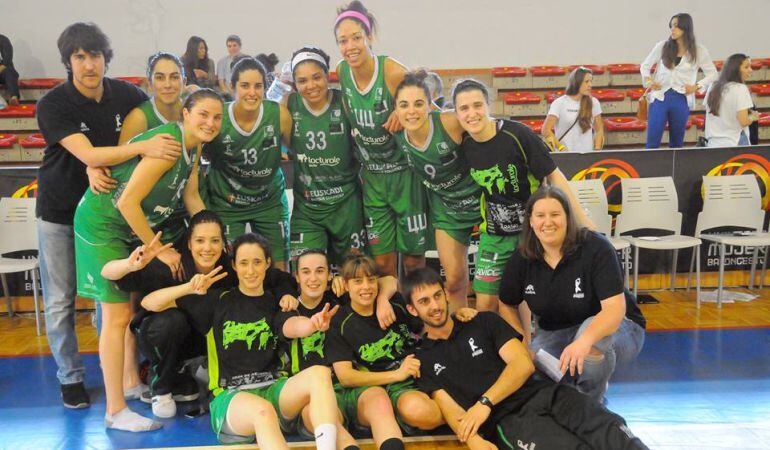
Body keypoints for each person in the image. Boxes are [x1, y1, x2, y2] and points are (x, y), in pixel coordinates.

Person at [35, 22, 178, 411]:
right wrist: (134, 150)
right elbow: (90, 154)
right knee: (61, 300)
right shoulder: (53, 104)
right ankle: (70, 377)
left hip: (106, 217)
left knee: (111, 302)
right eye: (79, 57)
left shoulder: (127, 95)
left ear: (105, 58)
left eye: (94, 55)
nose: (88, 64)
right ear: (68, 62)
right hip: (60, 213)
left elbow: (159, 112)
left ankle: (121, 377)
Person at [73, 88, 222, 431]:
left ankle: (131, 384)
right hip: (104, 225)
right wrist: (160, 250)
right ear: (186, 114)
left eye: (217, 117)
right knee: (116, 317)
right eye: (203, 115)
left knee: (131, 310)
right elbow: (126, 202)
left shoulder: (194, 146)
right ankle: (115, 410)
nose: (211, 122)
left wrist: (215, 235)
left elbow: (191, 195)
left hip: (129, 227)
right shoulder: (169, 145)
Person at [403, 267, 649, 450]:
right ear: (412, 309)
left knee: (609, 427)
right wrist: (473, 439)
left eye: (437, 296)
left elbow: (522, 364)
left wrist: (485, 402)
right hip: (508, 420)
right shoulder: (423, 358)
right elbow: (449, 408)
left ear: (446, 294)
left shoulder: (483, 321)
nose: (435, 306)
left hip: (544, 393)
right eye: (424, 301)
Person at [141, 233, 344, 449]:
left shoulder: (276, 301)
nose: (250, 270)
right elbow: (149, 303)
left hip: (273, 388)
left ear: (267, 264)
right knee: (263, 411)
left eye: (257, 262)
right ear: (234, 266)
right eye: (244, 263)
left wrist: (312, 325)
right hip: (231, 396)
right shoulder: (217, 301)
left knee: (320, 374)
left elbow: (291, 326)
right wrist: (189, 288)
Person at [101, 210, 300, 418]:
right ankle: (160, 386)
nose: (207, 248)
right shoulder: (171, 264)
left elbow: (278, 278)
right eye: (200, 241)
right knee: (172, 321)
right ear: (189, 243)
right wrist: (131, 265)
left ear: (223, 243)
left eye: (215, 241)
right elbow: (111, 275)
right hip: (160, 331)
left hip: (200, 334)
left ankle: (187, 372)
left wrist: (287, 294)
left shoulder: (230, 267)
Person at [451, 79, 593, 312]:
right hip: (493, 237)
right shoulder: (463, 143)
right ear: (456, 114)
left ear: (488, 105)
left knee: (524, 301)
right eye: (464, 108)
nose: (472, 114)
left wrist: (583, 220)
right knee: (485, 303)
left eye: (477, 105)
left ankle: (526, 337)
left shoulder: (518, 135)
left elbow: (555, 177)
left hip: (530, 234)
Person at [498, 186, 646, 403]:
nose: (548, 222)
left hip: (620, 326)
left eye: (555, 214)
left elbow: (614, 309)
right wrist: (522, 343)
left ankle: (592, 404)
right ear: (531, 221)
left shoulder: (596, 247)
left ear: (568, 217)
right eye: (540, 216)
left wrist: (583, 342)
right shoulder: (522, 258)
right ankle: (576, 391)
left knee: (589, 346)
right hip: (557, 331)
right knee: (532, 372)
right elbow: (506, 304)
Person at [334, 1, 429, 277]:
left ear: (370, 37)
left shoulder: (391, 71)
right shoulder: (342, 71)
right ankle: (391, 306)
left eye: (356, 38)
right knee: (383, 264)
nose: (350, 46)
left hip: (405, 174)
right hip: (373, 178)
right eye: (343, 41)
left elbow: (426, 105)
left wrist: (403, 110)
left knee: (413, 262)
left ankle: (414, 304)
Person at [326, 254, 445, 448]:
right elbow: (346, 377)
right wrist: (396, 374)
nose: (366, 287)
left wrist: (457, 315)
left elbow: (428, 320)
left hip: (410, 379)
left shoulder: (394, 303)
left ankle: (464, 419)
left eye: (371, 280)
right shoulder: (340, 321)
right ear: (346, 285)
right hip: (372, 388)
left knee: (421, 410)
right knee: (385, 404)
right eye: (358, 281)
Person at [393, 70, 481, 311]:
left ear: (430, 105)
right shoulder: (396, 131)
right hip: (447, 208)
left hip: (481, 200)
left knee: (490, 286)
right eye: (404, 105)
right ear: (395, 109)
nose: (411, 111)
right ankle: (458, 329)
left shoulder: (449, 122)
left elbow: (488, 124)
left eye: (418, 104)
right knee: (454, 281)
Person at [202, 57, 293, 270]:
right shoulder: (218, 117)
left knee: (279, 269)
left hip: (268, 200)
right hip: (228, 202)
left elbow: (296, 150)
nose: (252, 92)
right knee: (227, 267)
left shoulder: (278, 114)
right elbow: (200, 153)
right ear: (232, 86)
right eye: (245, 85)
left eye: (258, 86)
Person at [285, 46, 367, 265]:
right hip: (307, 208)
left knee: (352, 270)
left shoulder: (345, 101)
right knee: (306, 271)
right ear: (294, 83)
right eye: (302, 81)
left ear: (327, 75)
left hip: (346, 204)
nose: (311, 85)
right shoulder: (289, 104)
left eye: (316, 77)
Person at [641, 13, 717, 149]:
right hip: (660, 97)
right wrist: (648, 80)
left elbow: (713, 74)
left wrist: (696, 86)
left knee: (677, 143)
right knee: (652, 140)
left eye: (676, 26)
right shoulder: (662, 46)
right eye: (671, 26)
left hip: (681, 98)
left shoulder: (699, 51)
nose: (672, 29)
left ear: (685, 27)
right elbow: (645, 66)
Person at [543, 67, 605, 152]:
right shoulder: (559, 103)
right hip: (565, 156)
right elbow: (546, 130)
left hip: (587, 156)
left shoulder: (594, 102)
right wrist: (561, 148)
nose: (590, 85)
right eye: (586, 81)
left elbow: (599, 129)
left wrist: (597, 150)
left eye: (591, 81)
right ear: (577, 82)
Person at [705, 53, 760, 147]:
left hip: (713, 143)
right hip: (734, 143)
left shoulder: (713, 86)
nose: (750, 70)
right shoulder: (740, 88)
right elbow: (744, 121)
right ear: (735, 70)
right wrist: (753, 117)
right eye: (746, 67)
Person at [0, 33, 20, 105]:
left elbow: (7, 61)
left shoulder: (3, 40)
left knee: (10, 71)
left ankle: (14, 97)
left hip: (2, 71)